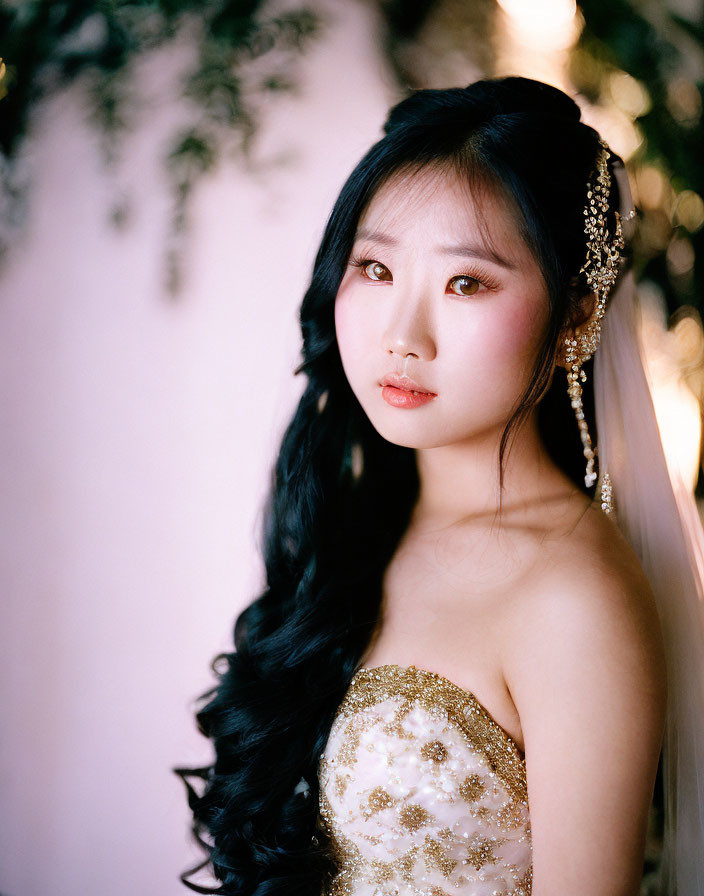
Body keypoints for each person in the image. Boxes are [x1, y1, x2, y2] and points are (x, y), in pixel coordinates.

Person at [174, 77, 704, 896]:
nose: (401, 336)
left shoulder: (573, 597)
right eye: (376, 268)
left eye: (466, 283)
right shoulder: (360, 515)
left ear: (575, 316)